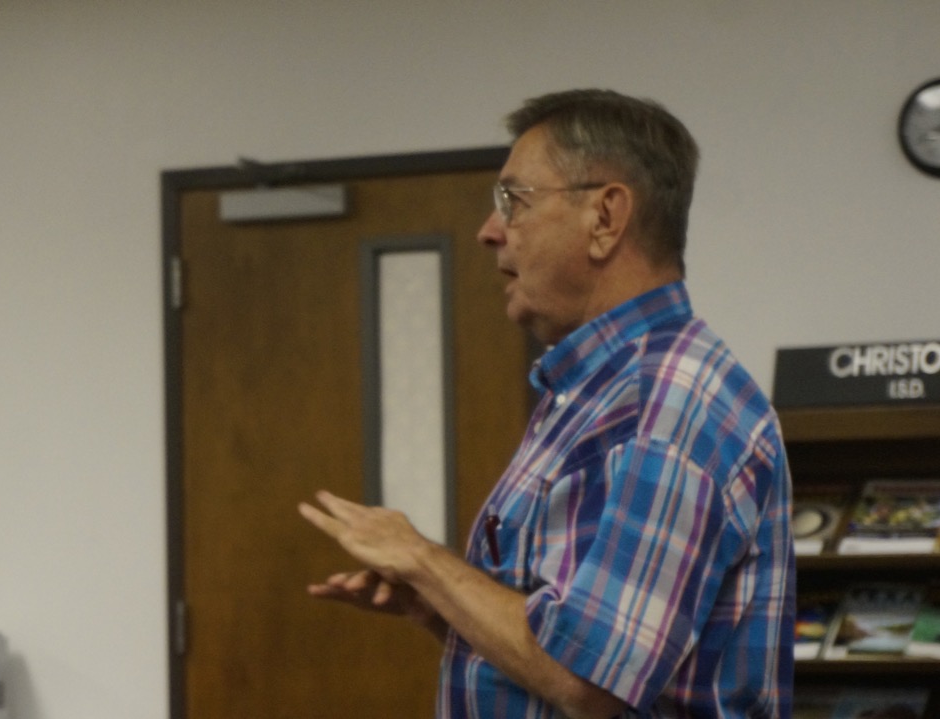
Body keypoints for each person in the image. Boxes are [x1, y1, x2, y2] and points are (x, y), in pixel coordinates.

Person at [298, 89, 794, 718]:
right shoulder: (595, 392)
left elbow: (588, 682)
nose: (490, 231)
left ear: (606, 218)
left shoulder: (666, 403)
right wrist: (443, 605)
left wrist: (422, 559)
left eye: (515, 200)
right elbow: (565, 639)